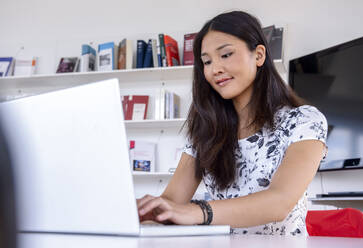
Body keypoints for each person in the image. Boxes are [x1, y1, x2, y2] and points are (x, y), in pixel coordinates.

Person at [137, 10, 327, 236]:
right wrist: (151, 217)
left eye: (225, 54)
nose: (215, 69)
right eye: (206, 61)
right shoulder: (206, 129)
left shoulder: (303, 121)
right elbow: (171, 202)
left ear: (258, 55)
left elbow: (279, 201)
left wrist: (195, 212)